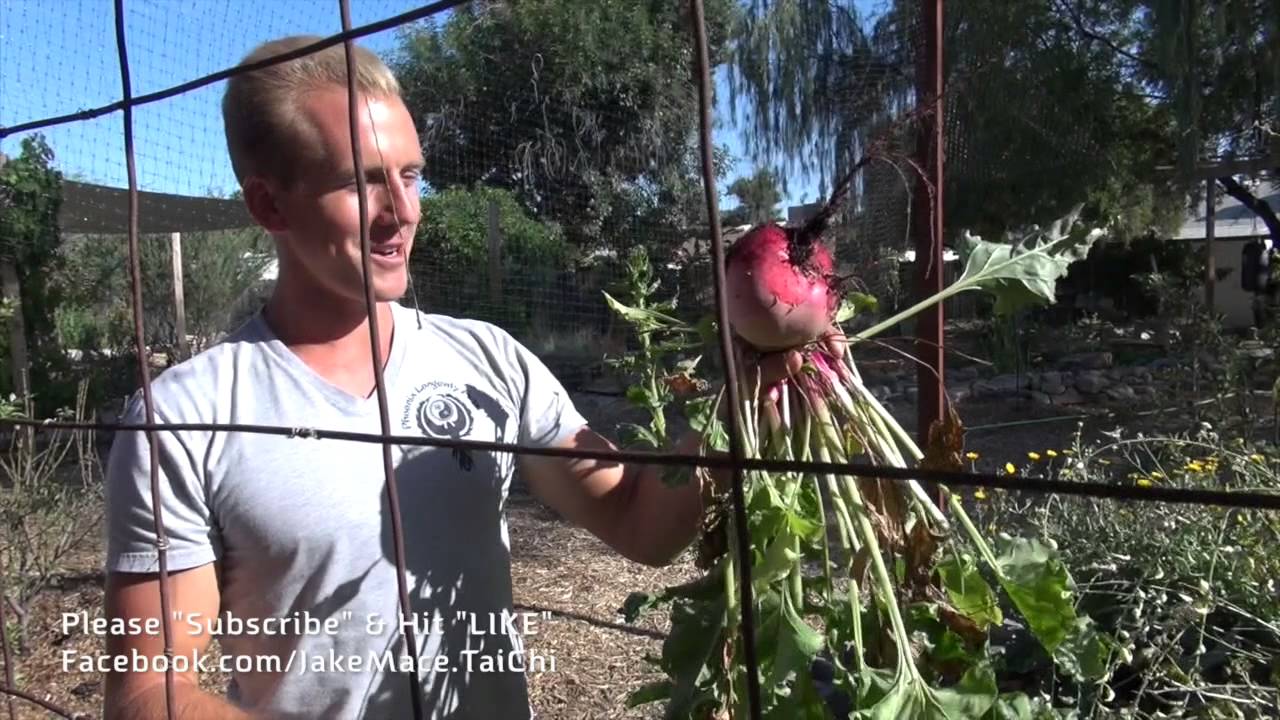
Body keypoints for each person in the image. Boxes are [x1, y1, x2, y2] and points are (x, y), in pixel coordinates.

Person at [101, 36, 804, 719]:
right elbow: (148, 694)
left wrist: (742, 407)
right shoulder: (183, 419)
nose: (402, 212)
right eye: (360, 181)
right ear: (268, 206)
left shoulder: (488, 362)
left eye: (410, 175)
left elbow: (638, 526)